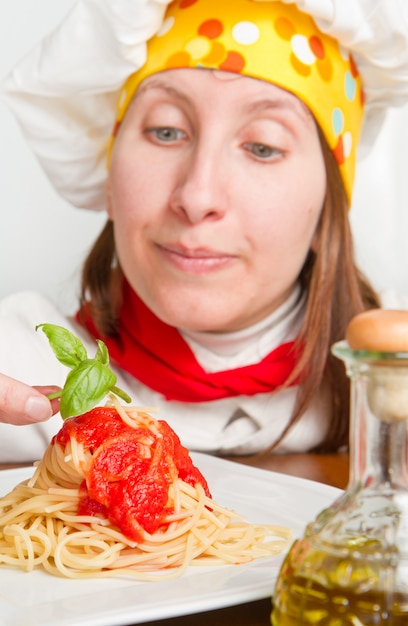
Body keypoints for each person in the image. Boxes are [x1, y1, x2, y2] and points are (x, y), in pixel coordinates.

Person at [0, 0, 407, 463]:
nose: (197, 197)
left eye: (262, 146)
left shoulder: (393, 374)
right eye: (167, 132)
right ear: (109, 180)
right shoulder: (22, 366)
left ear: (327, 214)